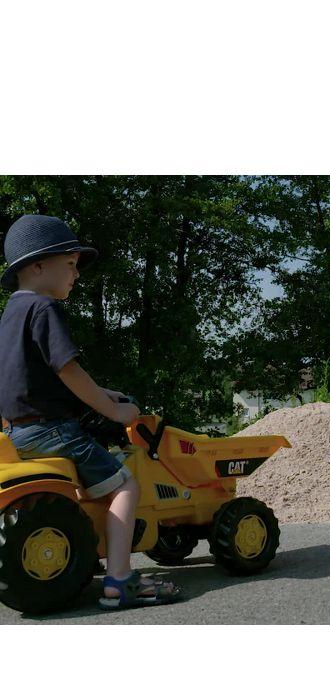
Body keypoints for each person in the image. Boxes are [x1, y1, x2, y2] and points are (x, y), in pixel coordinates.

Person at [0, 214, 180, 608]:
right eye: (70, 265)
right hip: (53, 431)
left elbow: (41, 375)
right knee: (124, 484)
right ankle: (119, 580)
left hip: (18, 432)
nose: (76, 275)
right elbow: (68, 370)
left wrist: (103, 392)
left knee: (89, 486)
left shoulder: (10, 314)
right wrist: (115, 412)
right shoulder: (44, 309)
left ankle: (90, 552)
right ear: (38, 266)